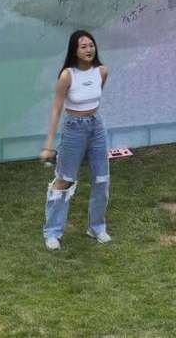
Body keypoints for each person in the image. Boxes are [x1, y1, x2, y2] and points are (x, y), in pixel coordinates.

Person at [40, 30, 111, 250]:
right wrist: (48, 145)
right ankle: (52, 232)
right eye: (83, 46)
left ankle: (96, 227)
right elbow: (56, 110)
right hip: (73, 128)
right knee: (64, 180)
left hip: (96, 127)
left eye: (91, 45)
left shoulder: (102, 71)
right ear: (75, 50)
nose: (89, 50)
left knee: (102, 179)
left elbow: (95, 97)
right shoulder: (67, 75)